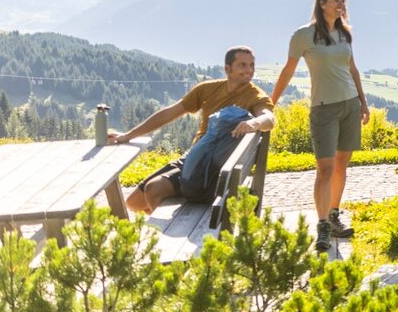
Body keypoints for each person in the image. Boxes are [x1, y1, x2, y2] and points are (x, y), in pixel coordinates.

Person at [110, 46, 276, 214]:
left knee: (154, 190)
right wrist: (129, 135)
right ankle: (168, 209)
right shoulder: (207, 89)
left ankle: (166, 231)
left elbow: (268, 118)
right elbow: (170, 113)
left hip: (212, 166)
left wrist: (254, 123)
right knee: (134, 203)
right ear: (228, 69)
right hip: (195, 156)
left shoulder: (256, 96)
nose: (249, 70)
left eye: (252, 65)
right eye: (243, 65)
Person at [270, 0, 369, 251]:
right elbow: (288, 71)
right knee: (325, 169)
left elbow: (353, 69)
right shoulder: (303, 36)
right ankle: (323, 225)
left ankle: (334, 216)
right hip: (323, 108)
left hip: (349, 105)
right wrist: (271, 103)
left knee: (341, 165)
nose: (342, 6)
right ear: (322, 3)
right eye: (337, 0)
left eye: (344, 1)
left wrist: (363, 102)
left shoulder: (344, 34)